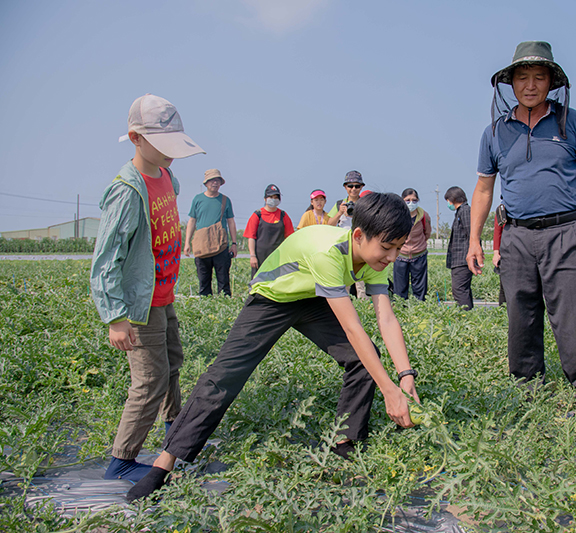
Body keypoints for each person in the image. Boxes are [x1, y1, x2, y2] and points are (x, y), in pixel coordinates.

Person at [126, 193, 420, 502]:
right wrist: (388, 390)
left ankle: (345, 446)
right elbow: (352, 327)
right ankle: (164, 464)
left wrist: (404, 375)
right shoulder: (328, 252)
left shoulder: (376, 256)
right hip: (273, 297)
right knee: (226, 374)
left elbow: (385, 318)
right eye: (388, 248)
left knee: (361, 360)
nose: (392, 257)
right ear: (359, 235)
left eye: (398, 248)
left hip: (312, 298)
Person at [466, 41, 576, 420]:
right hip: (516, 236)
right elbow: (484, 188)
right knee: (521, 316)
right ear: (510, 83)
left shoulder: (572, 121)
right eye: (522, 77)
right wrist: (474, 239)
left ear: (551, 82)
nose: (530, 85)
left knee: (574, 316)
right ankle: (527, 393)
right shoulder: (495, 132)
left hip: (565, 232)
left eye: (539, 77)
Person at [90, 94, 205, 481]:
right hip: (138, 306)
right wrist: (116, 317)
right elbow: (106, 260)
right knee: (150, 379)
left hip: (162, 296)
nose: (171, 151)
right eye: (162, 142)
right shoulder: (127, 190)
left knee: (172, 364)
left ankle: (175, 433)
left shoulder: (167, 177)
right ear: (136, 138)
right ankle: (122, 459)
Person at [184, 169, 237, 296]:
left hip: (221, 245)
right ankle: (206, 304)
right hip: (202, 246)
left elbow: (231, 222)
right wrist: (187, 243)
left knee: (223, 280)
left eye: (217, 180)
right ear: (206, 183)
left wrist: (234, 243)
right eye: (212, 180)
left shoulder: (225, 200)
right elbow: (192, 221)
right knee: (204, 281)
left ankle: (225, 304)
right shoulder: (198, 199)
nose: (215, 183)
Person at [244, 184, 294, 278]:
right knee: (258, 282)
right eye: (270, 197)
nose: (273, 199)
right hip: (260, 257)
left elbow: (290, 237)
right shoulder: (257, 215)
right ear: (265, 199)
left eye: (276, 197)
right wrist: (252, 256)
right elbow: (251, 237)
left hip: (278, 257)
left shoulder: (283, 215)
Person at [393, 188, 432, 301]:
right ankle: (401, 312)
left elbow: (427, 233)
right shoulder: (396, 215)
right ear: (402, 201)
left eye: (414, 200)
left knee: (420, 289)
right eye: (407, 200)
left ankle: (418, 311)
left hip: (419, 255)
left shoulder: (424, 215)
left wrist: (419, 245)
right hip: (401, 256)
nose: (411, 203)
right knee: (400, 289)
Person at [445, 186, 474, 310]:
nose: (448, 203)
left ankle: (466, 315)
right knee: (462, 289)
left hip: (463, 258)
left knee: (459, 289)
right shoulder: (460, 212)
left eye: (448, 200)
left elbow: (471, 233)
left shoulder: (465, 211)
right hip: (459, 258)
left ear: (453, 199)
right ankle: (469, 315)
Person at [492, 210, 506, 305]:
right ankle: (502, 312)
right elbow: (497, 231)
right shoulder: (502, 210)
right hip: (506, 251)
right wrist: (496, 252)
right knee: (504, 287)